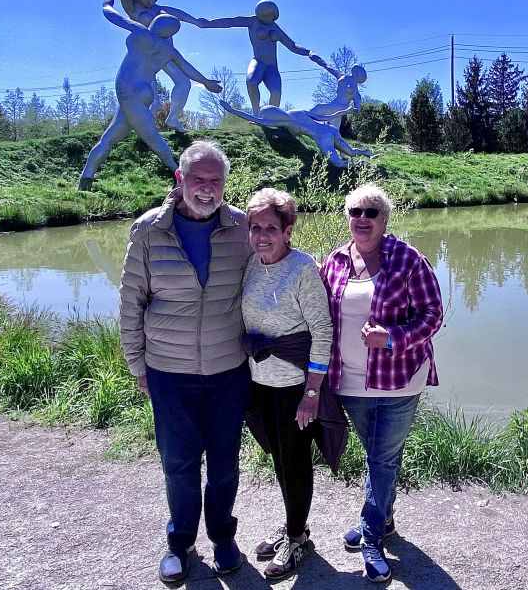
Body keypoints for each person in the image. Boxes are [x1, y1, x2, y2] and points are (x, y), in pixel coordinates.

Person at [118, 140, 253, 584]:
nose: (207, 188)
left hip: (229, 370)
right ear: (180, 179)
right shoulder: (147, 231)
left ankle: (223, 537)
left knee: (225, 463)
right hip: (169, 372)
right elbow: (131, 303)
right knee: (178, 464)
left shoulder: (242, 228)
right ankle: (180, 543)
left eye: (216, 180)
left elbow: (267, 279)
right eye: (198, 179)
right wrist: (138, 365)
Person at [320, 184, 443, 583]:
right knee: (379, 455)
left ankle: (371, 537)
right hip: (349, 383)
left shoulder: (408, 259)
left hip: (400, 380)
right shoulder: (335, 261)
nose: (362, 218)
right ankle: (384, 520)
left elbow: (432, 314)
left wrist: (391, 338)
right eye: (355, 211)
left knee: (382, 459)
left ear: (385, 219)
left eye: (371, 212)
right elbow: (320, 315)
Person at [240, 188, 333, 579]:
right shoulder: (251, 264)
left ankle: (297, 540)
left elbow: (322, 331)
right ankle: (295, 525)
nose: (262, 235)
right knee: (278, 457)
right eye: (256, 227)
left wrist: (312, 394)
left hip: (294, 386)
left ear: (288, 230)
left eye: (271, 228)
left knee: (294, 463)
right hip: (258, 383)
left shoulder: (302, 269)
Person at [78, 0, 221, 190]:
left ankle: (180, 177)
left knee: (153, 139)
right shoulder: (168, 50)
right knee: (109, 138)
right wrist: (206, 82)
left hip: (131, 93)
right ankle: (86, 178)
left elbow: (108, 11)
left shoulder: (141, 34)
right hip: (137, 94)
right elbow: (187, 68)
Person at [199, 0, 322, 114]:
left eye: (270, 16)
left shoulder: (275, 28)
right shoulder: (252, 22)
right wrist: (208, 23)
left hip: (272, 67)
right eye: (264, 16)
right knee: (251, 82)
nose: (267, 18)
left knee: (276, 92)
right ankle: (256, 114)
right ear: (258, 15)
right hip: (258, 62)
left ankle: (271, 117)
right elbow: (231, 22)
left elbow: (292, 46)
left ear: (274, 15)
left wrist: (309, 52)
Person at [114, 0, 204, 132]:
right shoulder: (133, 8)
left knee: (184, 83)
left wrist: (196, 22)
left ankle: (173, 117)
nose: (150, 2)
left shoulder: (160, 9)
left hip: (165, 52)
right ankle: (144, 123)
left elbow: (178, 14)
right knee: (150, 92)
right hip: (146, 55)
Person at [220, 100, 372, 168]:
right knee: (351, 152)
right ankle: (366, 153)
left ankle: (360, 165)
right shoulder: (296, 112)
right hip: (329, 130)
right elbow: (324, 117)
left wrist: (231, 110)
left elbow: (257, 120)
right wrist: (346, 111)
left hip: (322, 137)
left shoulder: (288, 122)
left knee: (337, 163)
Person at [307, 56, 368, 129]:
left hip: (340, 107)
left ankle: (304, 120)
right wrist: (319, 61)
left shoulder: (356, 93)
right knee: (333, 129)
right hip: (336, 104)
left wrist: (352, 110)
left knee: (319, 108)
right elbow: (328, 67)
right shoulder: (343, 77)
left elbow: (357, 110)